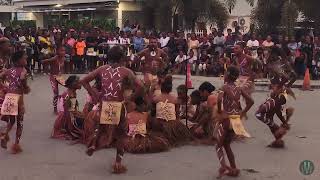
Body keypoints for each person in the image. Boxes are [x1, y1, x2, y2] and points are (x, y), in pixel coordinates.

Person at [81, 45, 143, 173]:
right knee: (121, 135)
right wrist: (130, 99)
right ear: (121, 58)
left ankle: (94, 144)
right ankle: (118, 163)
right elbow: (141, 87)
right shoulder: (126, 71)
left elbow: (84, 81)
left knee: (102, 128)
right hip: (118, 106)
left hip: (105, 104)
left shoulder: (102, 69)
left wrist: (94, 93)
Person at [215, 66, 254, 178]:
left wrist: (219, 111)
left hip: (227, 119)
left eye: (225, 73)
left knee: (218, 145)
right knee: (227, 145)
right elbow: (251, 101)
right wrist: (243, 113)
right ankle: (233, 168)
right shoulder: (239, 88)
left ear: (227, 75)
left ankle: (223, 167)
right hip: (236, 120)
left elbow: (218, 99)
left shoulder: (225, 87)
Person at [0, 51, 31, 154]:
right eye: (24, 58)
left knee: (11, 121)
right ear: (18, 60)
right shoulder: (23, 71)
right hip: (18, 98)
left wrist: (5, 86)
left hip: (9, 97)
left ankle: (5, 135)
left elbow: (1, 76)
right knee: (20, 122)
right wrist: (26, 88)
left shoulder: (9, 70)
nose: (26, 58)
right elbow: (23, 81)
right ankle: (16, 144)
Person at [151, 75, 192, 146]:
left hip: (159, 123)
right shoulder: (175, 99)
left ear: (161, 88)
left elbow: (153, 113)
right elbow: (177, 114)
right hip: (172, 124)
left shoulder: (156, 99)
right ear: (170, 89)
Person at [51, 75, 84, 141]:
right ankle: (58, 131)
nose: (80, 83)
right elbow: (70, 112)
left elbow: (72, 109)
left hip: (67, 112)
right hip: (65, 112)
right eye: (78, 82)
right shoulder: (70, 94)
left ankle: (63, 127)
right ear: (73, 84)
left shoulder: (72, 92)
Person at [42, 46, 66, 114]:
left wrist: (61, 73)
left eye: (64, 51)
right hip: (53, 77)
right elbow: (44, 61)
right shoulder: (55, 58)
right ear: (57, 51)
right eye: (61, 50)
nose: (63, 52)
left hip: (59, 77)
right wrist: (45, 64)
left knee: (70, 86)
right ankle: (55, 108)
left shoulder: (63, 58)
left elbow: (61, 69)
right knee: (56, 92)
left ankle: (65, 103)